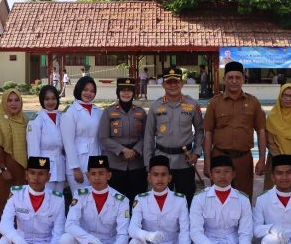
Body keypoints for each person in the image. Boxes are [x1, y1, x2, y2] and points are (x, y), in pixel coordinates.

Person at [59, 156, 134, 244]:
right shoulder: (80, 195)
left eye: (101, 173)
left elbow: (123, 235)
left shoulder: (121, 200)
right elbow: (70, 224)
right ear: (87, 176)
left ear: (109, 175)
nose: (97, 178)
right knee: (65, 240)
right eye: (93, 174)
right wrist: (92, 240)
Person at [187, 155, 255, 244]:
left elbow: (245, 233)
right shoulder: (200, 198)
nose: (222, 176)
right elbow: (195, 231)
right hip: (208, 243)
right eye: (217, 172)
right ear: (211, 175)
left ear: (234, 174)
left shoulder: (242, 199)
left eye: (227, 171)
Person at [128, 155, 190, 244]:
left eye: (163, 175)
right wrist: (147, 236)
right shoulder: (140, 199)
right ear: (149, 177)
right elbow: (132, 228)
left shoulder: (180, 200)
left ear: (170, 177)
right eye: (155, 175)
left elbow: (184, 233)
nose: (159, 179)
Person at [202, 61, 267, 199]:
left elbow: (261, 131)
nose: (234, 81)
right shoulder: (214, 103)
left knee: (244, 197)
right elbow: (208, 133)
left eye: (237, 78)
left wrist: (262, 159)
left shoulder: (253, 102)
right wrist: (207, 161)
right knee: (218, 198)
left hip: (243, 159)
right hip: (219, 157)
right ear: (224, 79)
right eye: (230, 78)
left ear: (243, 79)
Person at [143, 67, 204, 206]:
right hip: (162, 162)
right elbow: (148, 136)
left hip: (185, 160)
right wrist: (148, 163)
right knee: (162, 203)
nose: (173, 85)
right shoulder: (155, 106)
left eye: (176, 82)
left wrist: (196, 152)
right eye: (169, 82)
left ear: (182, 83)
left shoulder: (192, 104)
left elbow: (200, 130)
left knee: (187, 200)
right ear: (163, 84)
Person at [0, 88, 29, 244]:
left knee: (20, 207)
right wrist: (3, 168)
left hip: (21, 171)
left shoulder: (24, 119)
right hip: (5, 170)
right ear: (4, 102)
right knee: (1, 205)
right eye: (9, 100)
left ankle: (18, 242)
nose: (14, 103)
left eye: (16, 100)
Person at [98, 78, 147, 203]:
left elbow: (147, 136)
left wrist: (135, 151)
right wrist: (122, 150)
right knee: (116, 201)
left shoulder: (140, 112)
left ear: (133, 93)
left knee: (137, 200)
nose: (126, 93)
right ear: (118, 92)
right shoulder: (109, 112)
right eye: (123, 90)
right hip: (115, 164)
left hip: (136, 163)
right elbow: (103, 137)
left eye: (129, 90)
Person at [60, 75, 102, 192]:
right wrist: (75, 168)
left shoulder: (98, 111)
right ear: (79, 90)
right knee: (80, 200)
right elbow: (68, 142)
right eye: (85, 90)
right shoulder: (70, 112)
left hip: (95, 161)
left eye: (92, 91)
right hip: (79, 163)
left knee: (93, 200)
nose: (89, 93)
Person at [26, 85, 66, 193]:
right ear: (41, 100)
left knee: (58, 199)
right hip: (43, 166)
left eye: (53, 98)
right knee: (45, 200)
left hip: (60, 165)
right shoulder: (36, 120)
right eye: (47, 99)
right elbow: (33, 148)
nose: (50, 102)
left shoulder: (62, 116)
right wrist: (36, 173)